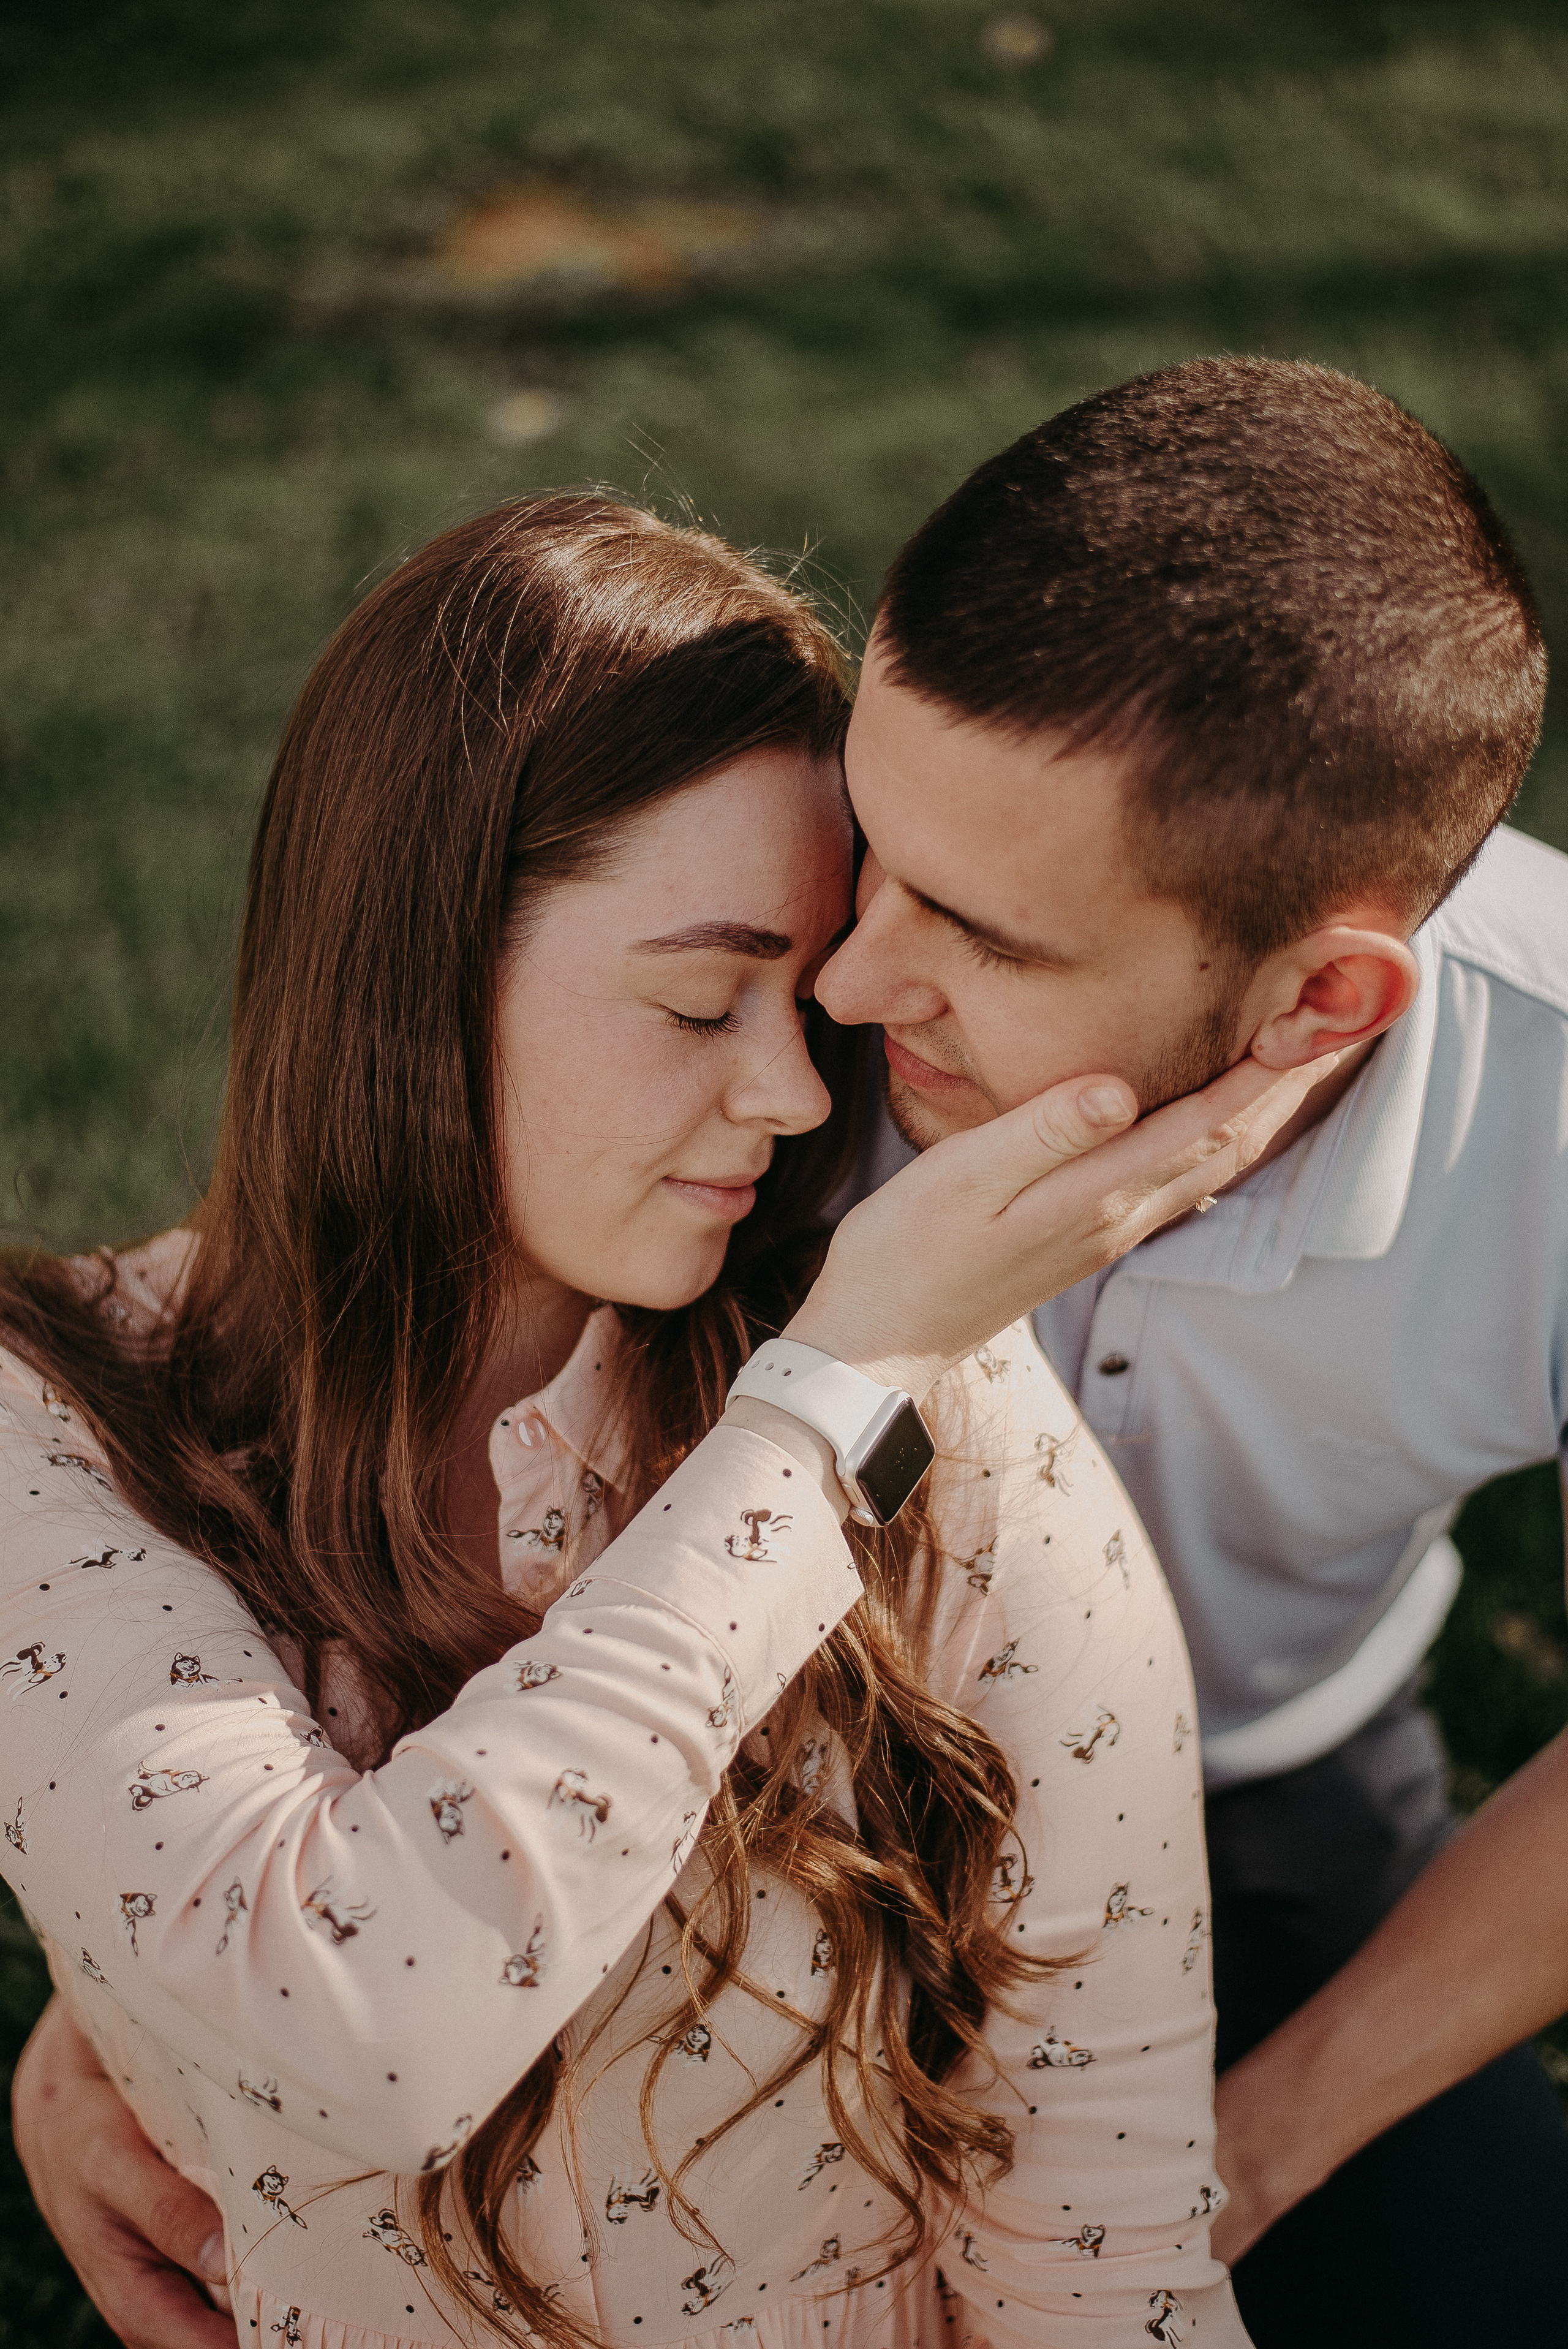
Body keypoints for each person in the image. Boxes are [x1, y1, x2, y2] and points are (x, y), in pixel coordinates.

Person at [1, 494, 1306, 2348]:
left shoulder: (942, 1412)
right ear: (414, 963)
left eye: (803, 997)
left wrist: (846, 1375)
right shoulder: (48, 1425)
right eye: (701, 997)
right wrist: (820, 1411)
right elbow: (355, 2028)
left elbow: (1101, 2251)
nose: (786, 1091)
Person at [810, 357, 1568, 2347]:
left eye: (977, 931)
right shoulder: (741, 894)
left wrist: (1248, 2145)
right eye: (865, 843)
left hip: (1274, 1785)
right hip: (741, 1748)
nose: (844, 970)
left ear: (1325, 994)